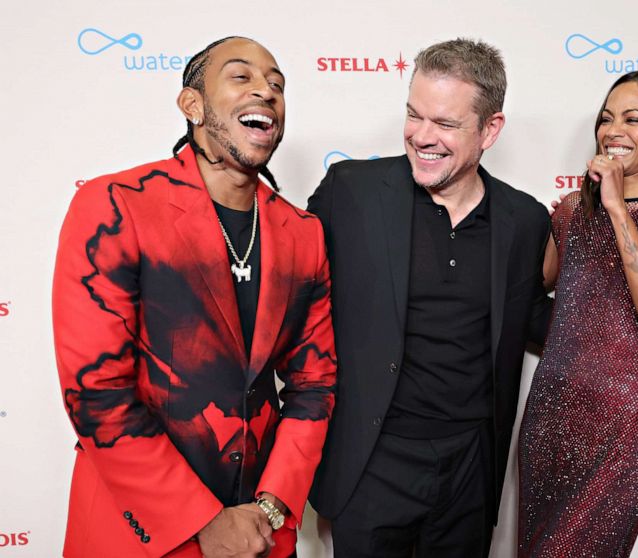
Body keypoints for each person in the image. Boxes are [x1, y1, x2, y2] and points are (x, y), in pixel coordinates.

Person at [52, 36, 337, 558]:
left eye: (277, 84)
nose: (266, 91)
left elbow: (314, 383)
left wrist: (271, 507)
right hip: (139, 530)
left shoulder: (303, 233)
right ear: (193, 105)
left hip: (260, 532)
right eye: (241, 76)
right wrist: (201, 521)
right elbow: (96, 391)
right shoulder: (116, 206)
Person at [306, 38, 552, 557]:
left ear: (490, 129)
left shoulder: (524, 219)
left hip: (469, 471)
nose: (422, 136)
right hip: (372, 462)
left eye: (444, 124)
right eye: (414, 115)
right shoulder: (351, 191)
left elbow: (536, 319)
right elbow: (287, 287)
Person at [517, 71, 638, 557]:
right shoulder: (570, 212)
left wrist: (617, 208)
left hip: (624, 429)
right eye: (606, 119)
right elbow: (531, 292)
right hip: (551, 417)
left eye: (632, 119)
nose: (613, 130)